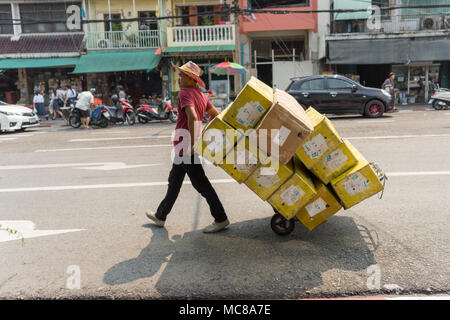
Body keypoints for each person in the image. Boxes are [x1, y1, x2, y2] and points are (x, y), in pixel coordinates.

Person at [145, 61, 230, 233]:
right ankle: (161, 216)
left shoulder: (185, 93)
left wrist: (192, 142)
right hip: (184, 147)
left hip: (186, 147)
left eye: (182, 75)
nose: (179, 78)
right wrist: (203, 133)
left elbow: (191, 115)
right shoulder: (201, 95)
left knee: (201, 184)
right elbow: (216, 116)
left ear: (191, 79)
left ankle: (221, 218)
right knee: (174, 181)